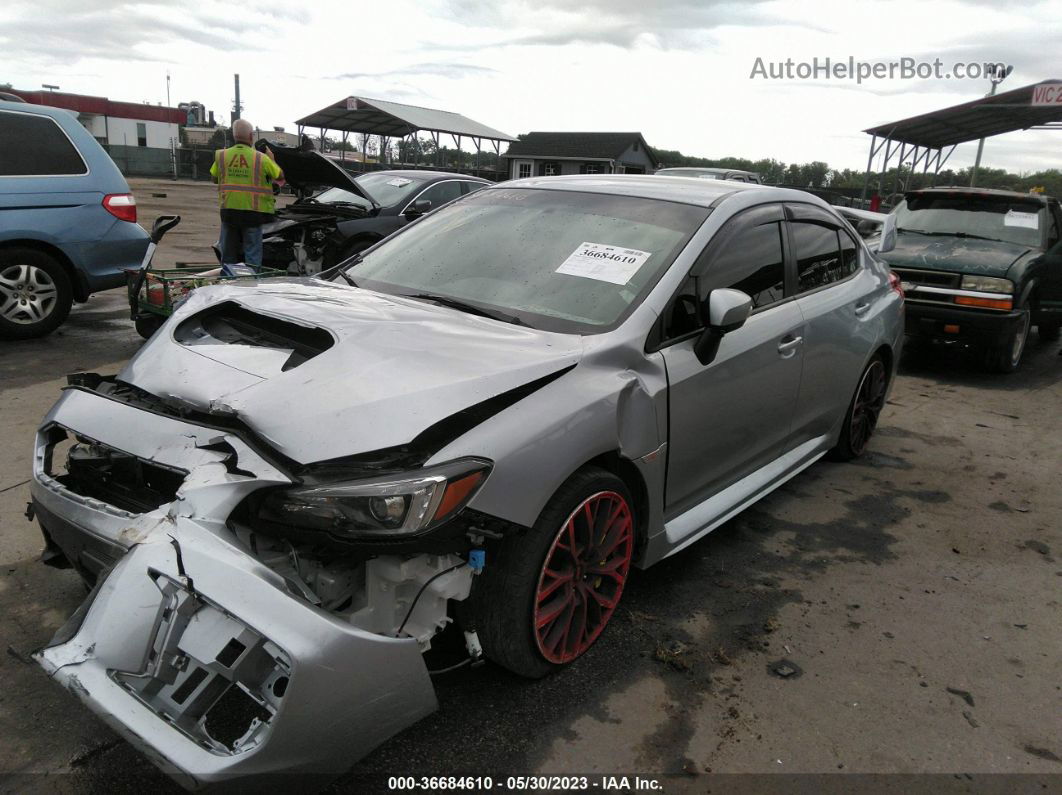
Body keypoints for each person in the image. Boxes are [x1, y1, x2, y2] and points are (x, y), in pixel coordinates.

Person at [209, 119, 283, 274]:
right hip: (252, 213)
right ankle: (251, 287)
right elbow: (279, 175)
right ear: (251, 136)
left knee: (228, 255)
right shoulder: (261, 158)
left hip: (229, 212)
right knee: (253, 257)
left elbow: (214, 178)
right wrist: (272, 159)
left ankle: (227, 286)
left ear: (234, 135)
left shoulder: (222, 156)